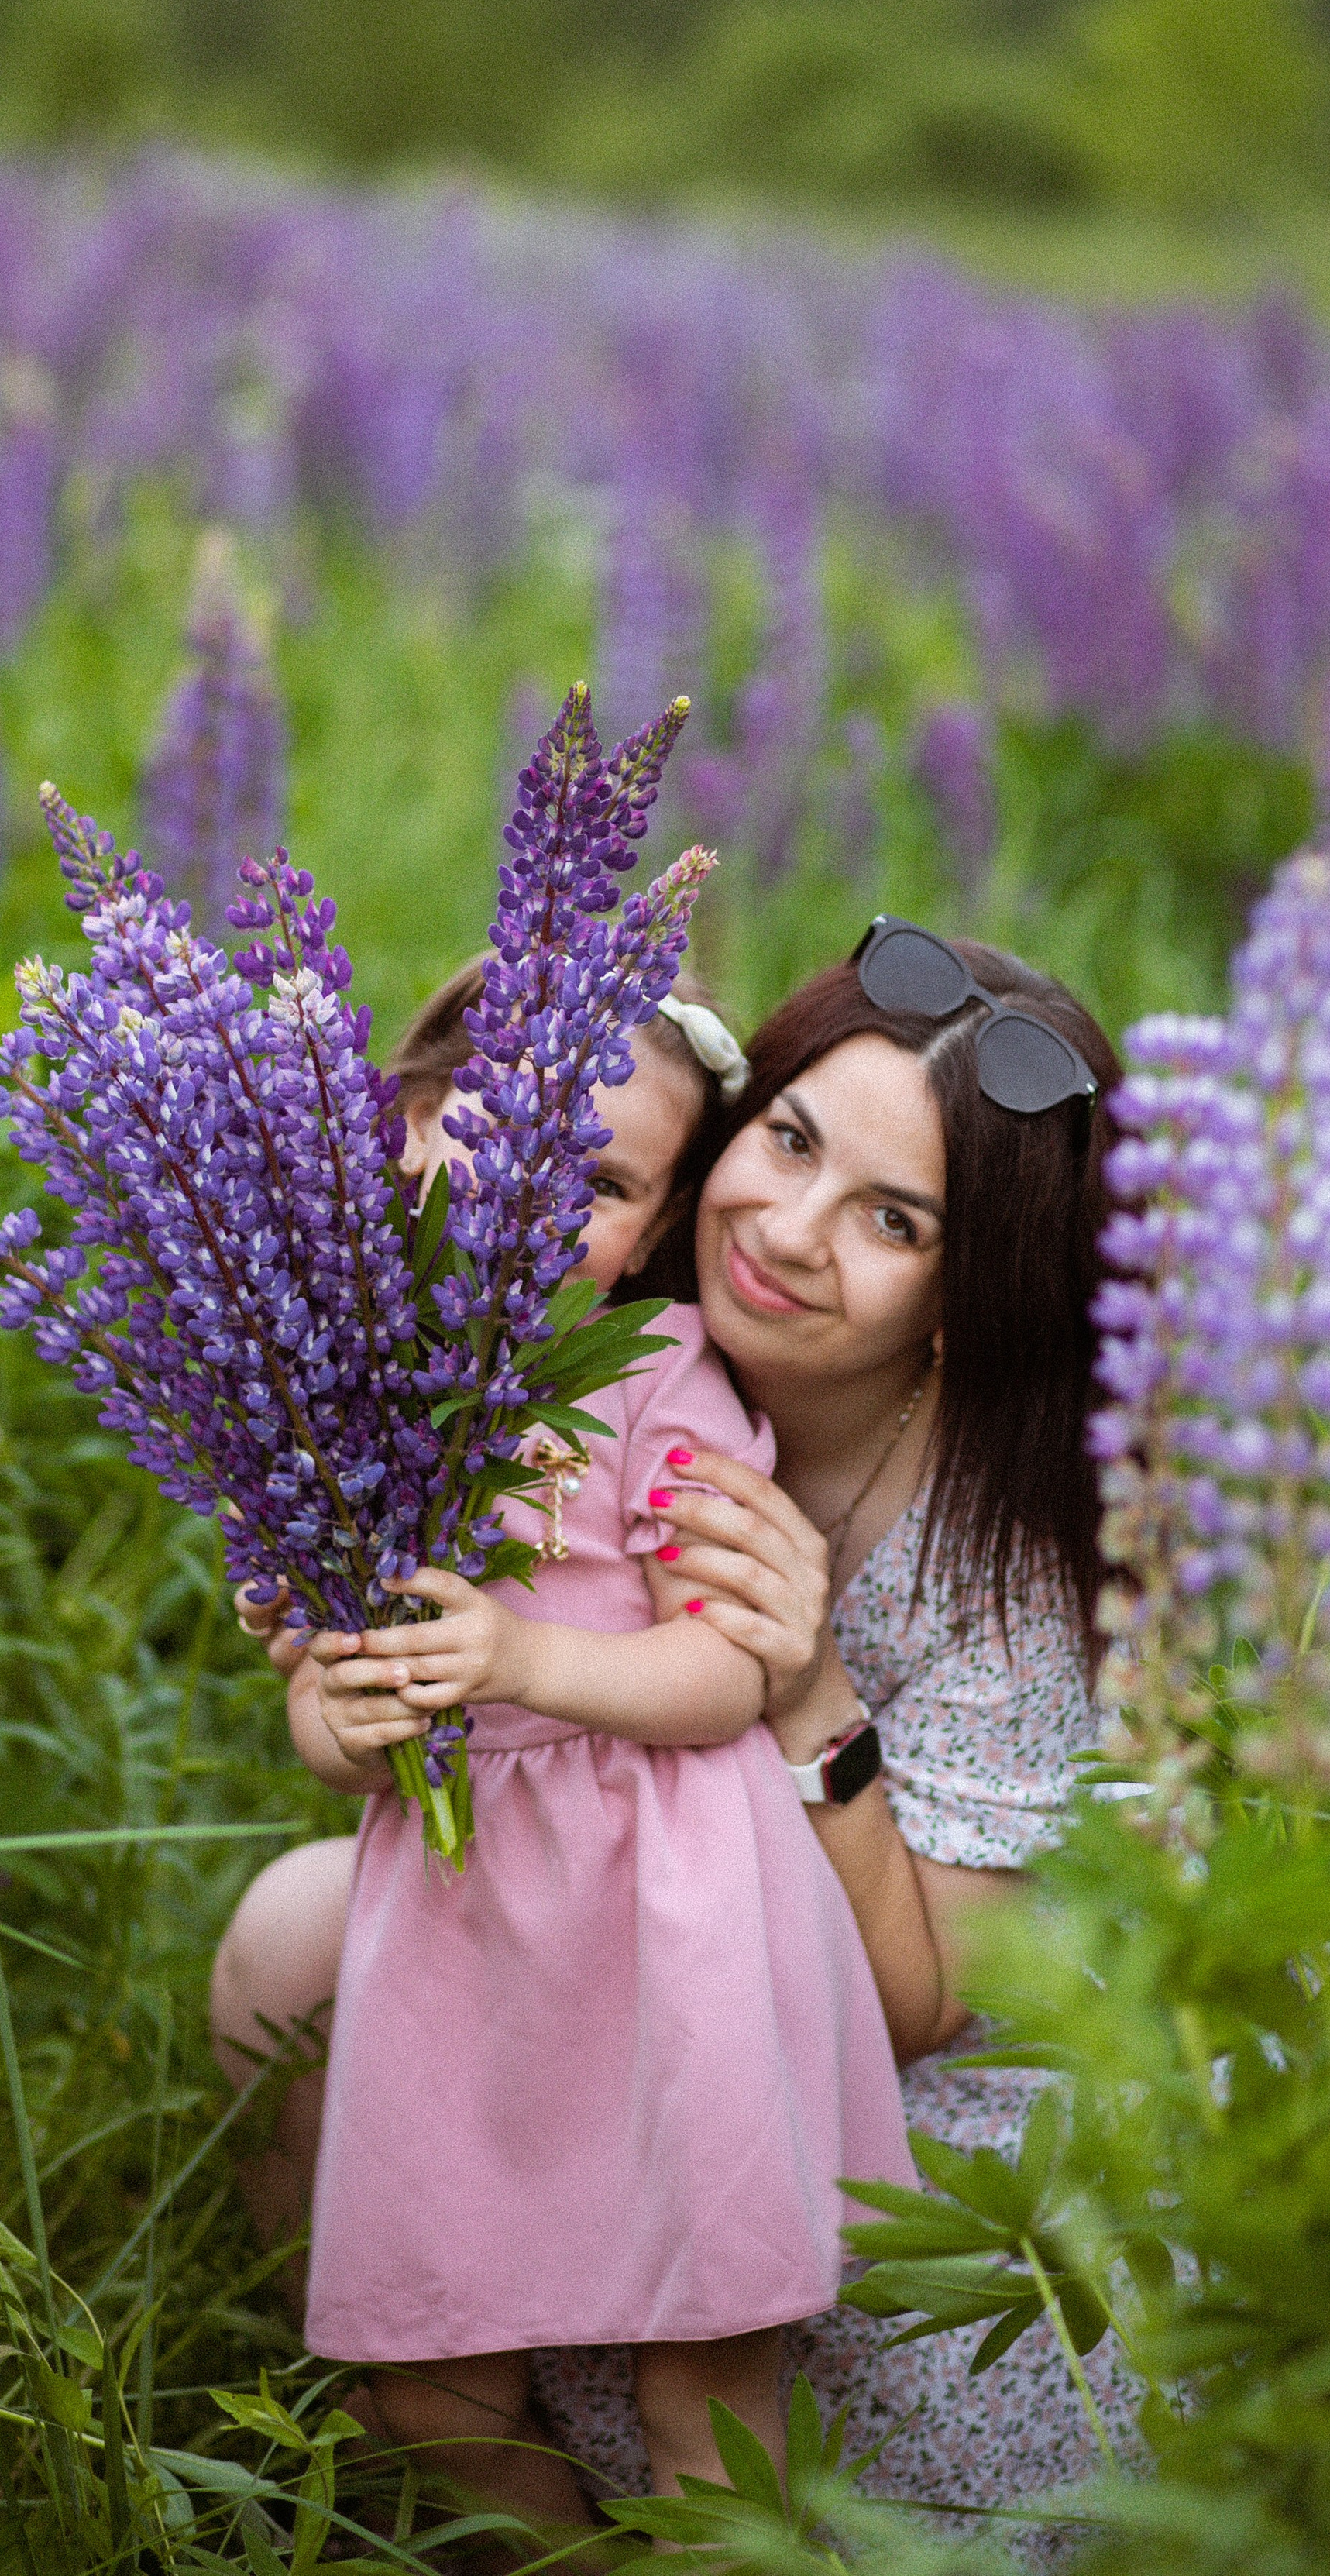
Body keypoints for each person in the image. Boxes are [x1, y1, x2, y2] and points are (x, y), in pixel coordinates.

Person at [214, 922, 1135, 2557]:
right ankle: (451, 2454)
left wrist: (803, 1696)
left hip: (887, 2105)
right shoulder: (562, 1347)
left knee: (716, 2367)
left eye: (892, 1218)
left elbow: (920, 2009)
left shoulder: (1006, 1548)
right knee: (293, 1937)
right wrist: (348, 1684)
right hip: (582, 1953)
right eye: (784, 1142)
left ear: (959, 1293)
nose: (786, 1228)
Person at [241, 956, 912, 2516]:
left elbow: (728, 1672)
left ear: (643, 1240)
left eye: (596, 1179)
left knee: (703, 2387)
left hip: (666, 1927)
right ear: (400, 1124)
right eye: (494, 1130)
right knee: (424, 2376)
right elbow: (331, 1713)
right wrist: (337, 1724)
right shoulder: (342, 1400)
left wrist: (527, 1654)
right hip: (464, 1948)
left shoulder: (645, 1380)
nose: (526, 1199)